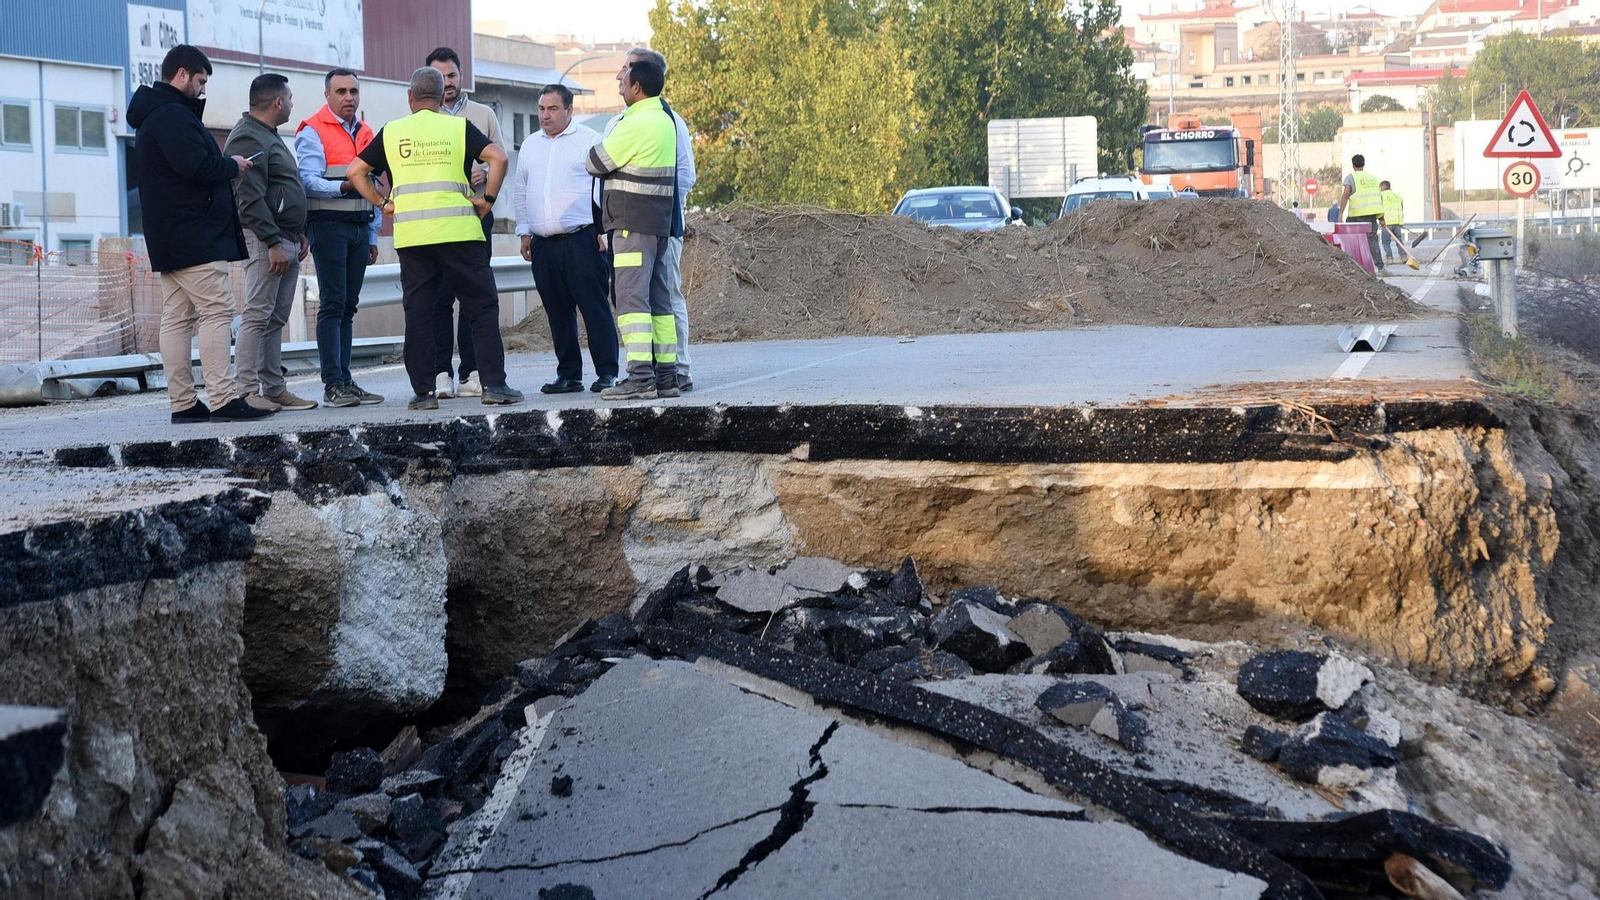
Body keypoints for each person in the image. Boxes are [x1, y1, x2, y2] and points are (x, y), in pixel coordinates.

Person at [344, 67, 523, 410]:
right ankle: (494, 386)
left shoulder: (393, 131)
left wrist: (384, 203)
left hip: (413, 237)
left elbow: (356, 172)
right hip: (461, 232)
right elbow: (498, 158)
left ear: (409, 98)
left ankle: (424, 393)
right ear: (442, 98)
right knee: (481, 307)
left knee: (420, 313)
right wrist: (487, 200)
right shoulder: (457, 127)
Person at [127, 44, 272, 424]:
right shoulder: (172, 115)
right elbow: (195, 165)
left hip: (169, 234)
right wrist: (233, 165)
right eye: (201, 81)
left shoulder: (154, 115)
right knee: (217, 310)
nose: (203, 89)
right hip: (193, 234)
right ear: (182, 74)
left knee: (176, 316)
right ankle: (223, 398)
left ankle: (184, 403)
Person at [513, 84, 619, 394]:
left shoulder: (589, 140)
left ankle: (607, 373)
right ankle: (569, 374)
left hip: (583, 239)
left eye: (553, 109)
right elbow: (521, 189)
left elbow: (604, 187)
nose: (545, 115)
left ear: (569, 110)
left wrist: (603, 229)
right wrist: (524, 231)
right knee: (557, 312)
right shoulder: (531, 145)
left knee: (594, 307)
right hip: (544, 243)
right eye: (542, 109)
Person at [587, 57, 679, 400]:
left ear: (637, 87)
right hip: (656, 225)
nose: (620, 82)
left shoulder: (635, 122)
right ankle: (666, 376)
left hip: (630, 225)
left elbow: (595, 162)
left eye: (624, 79)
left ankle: (640, 376)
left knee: (631, 301)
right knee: (659, 301)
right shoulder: (663, 119)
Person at [224, 73, 317, 413]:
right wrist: (273, 241)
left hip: (287, 238)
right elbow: (248, 198)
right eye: (290, 98)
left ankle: (274, 389)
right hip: (267, 241)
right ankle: (247, 391)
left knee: (275, 318)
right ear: (278, 102)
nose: (292, 104)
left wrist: (297, 231)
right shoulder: (248, 137)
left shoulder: (269, 135)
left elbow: (282, 189)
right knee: (256, 315)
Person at [295, 67, 384, 408]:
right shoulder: (312, 131)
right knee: (333, 305)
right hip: (329, 226)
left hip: (360, 228)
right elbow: (309, 182)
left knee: (347, 307)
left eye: (354, 92)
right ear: (327, 96)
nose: (349, 98)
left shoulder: (365, 131)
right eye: (342, 92)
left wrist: (373, 234)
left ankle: (346, 380)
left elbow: (374, 185)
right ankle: (333, 384)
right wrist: (345, 186)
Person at [614, 47, 697, 391]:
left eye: (626, 69)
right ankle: (654, 372)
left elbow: (684, 174)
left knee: (662, 295)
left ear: (642, 79)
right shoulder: (623, 119)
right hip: (626, 223)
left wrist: (657, 208)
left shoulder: (668, 120)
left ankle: (675, 369)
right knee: (641, 297)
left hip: (656, 224)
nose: (620, 75)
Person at [425, 47, 505, 400]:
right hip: (436, 221)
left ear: (461, 76)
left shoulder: (483, 114)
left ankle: (471, 372)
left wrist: (482, 173)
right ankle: (441, 373)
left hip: (475, 218)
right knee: (439, 300)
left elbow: (500, 159)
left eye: (452, 75)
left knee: (474, 298)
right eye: (439, 77)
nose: (448, 83)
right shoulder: (423, 117)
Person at [1335, 154, 1384, 268]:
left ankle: (1353, 266)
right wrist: (1381, 218)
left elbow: (1345, 195)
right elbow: (1378, 199)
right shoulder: (1373, 179)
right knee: (1373, 240)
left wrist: (1341, 214)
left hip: (1355, 215)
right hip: (1371, 215)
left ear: (1353, 165)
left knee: (1351, 239)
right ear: (1364, 164)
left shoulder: (1350, 178)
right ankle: (1380, 267)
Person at [1379, 180, 1406, 265]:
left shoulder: (1381, 195)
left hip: (1386, 223)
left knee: (1385, 242)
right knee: (1399, 241)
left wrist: (1380, 219)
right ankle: (1403, 257)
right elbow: (1401, 208)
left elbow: (1378, 208)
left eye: (1380, 187)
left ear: (1383, 186)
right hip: (1397, 222)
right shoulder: (1398, 196)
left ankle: (1389, 258)